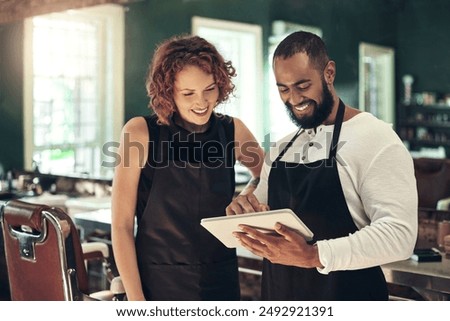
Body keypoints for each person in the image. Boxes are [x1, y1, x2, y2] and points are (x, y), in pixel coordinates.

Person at [226, 31, 418, 301]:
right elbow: (260, 206)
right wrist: (243, 208)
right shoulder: (280, 149)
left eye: (303, 86)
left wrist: (314, 255)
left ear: (329, 73)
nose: (293, 99)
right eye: (283, 89)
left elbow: (399, 236)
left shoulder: (375, 139)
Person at [111, 34, 264, 301]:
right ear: (168, 91)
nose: (201, 102)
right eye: (188, 93)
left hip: (221, 279)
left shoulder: (232, 130)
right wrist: (137, 302)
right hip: (158, 282)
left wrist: (247, 195)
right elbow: (121, 226)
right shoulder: (140, 133)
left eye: (209, 89)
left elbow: (267, 175)